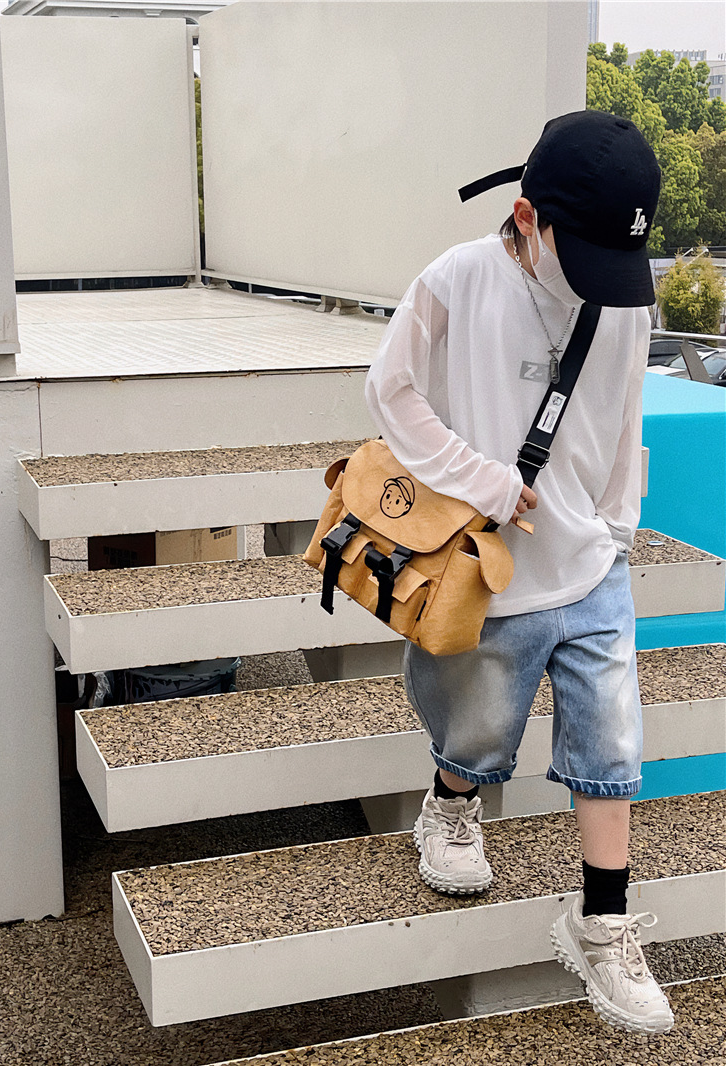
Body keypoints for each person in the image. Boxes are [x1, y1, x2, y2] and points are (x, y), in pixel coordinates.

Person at [365, 110, 674, 1034]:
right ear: (529, 216)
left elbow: (625, 412)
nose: (602, 281)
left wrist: (617, 528)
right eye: (584, 254)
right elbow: (390, 390)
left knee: (612, 742)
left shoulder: (622, 300)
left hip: (591, 563)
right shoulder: (458, 278)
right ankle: (451, 805)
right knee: (477, 727)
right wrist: (482, 480)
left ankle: (603, 921)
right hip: (491, 569)